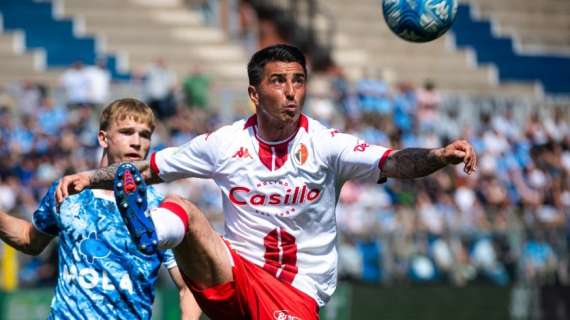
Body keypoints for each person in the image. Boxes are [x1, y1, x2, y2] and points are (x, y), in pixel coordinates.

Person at [56, 44, 477, 320]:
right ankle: (150, 232)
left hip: (297, 294)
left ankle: (154, 231)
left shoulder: (328, 145)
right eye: (278, 81)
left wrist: (438, 156)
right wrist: (89, 177)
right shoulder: (224, 143)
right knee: (182, 210)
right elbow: (147, 169)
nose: (291, 91)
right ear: (255, 94)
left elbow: (394, 161)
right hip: (235, 277)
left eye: (298, 80)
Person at [0, 98, 201, 319]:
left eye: (144, 135)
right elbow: (30, 240)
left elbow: (188, 286)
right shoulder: (68, 191)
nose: (137, 142)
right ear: (103, 138)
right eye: (127, 132)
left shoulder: (158, 209)